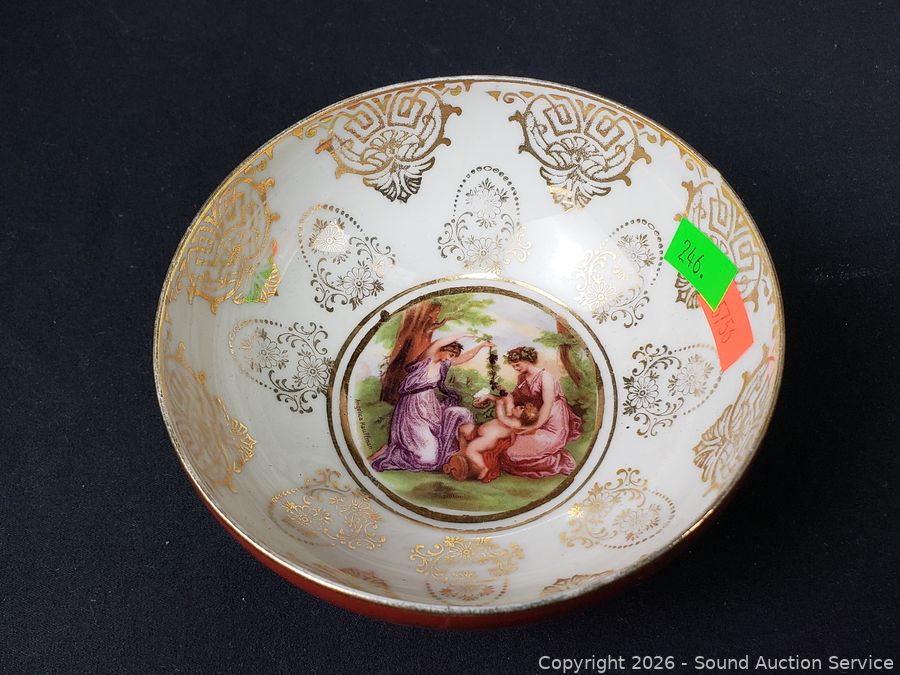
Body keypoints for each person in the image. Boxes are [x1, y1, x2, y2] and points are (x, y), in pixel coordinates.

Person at [370, 332, 493, 472]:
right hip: (413, 409)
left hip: (430, 407)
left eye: (452, 357)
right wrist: (463, 334)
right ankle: (389, 451)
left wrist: (481, 345)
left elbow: (465, 358)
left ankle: (463, 453)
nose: (450, 359)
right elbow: (437, 343)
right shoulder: (426, 359)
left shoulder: (443, 364)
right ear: (443, 349)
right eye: (450, 354)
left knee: (461, 413)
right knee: (428, 460)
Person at [498, 345, 582, 478]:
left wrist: (535, 426)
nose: (515, 368)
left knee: (516, 453)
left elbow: (548, 404)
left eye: (517, 364)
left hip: (553, 422)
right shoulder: (522, 378)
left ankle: (558, 461)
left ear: (527, 360)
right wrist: (498, 394)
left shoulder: (545, 377)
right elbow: (515, 398)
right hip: (535, 419)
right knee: (509, 450)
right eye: (513, 366)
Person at [457, 395, 540, 481]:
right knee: (462, 429)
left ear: (522, 417)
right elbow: (506, 399)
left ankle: (483, 466)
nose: (518, 406)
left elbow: (501, 417)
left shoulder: (515, 424)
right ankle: (462, 450)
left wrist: (499, 405)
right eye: (521, 406)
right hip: (480, 433)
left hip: (487, 440)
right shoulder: (512, 414)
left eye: (521, 408)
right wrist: (496, 399)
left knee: (471, 450)